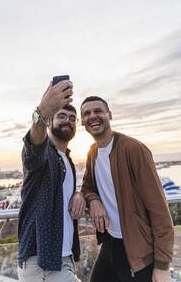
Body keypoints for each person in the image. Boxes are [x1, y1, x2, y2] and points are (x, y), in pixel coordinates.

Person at [80, 96, 174, 282]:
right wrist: (94, 200)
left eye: (98, 111)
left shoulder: (134, 149)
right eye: (87, 113)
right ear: (82, 122)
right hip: (110, 242)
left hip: (138, 250)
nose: (93, 116)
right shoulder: (93, 152)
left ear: (110, 115)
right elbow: (87, 186)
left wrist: (162, 266)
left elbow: (159, 209)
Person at [18, 80, 86, 282]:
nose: (68, 121)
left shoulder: (68, 160)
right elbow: (34, 145)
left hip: (64, 257)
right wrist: (43, 111)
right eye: (62, 116)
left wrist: (78, 193)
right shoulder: (43, 152)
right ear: (49, 122)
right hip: (40, 261)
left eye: (73, 118)